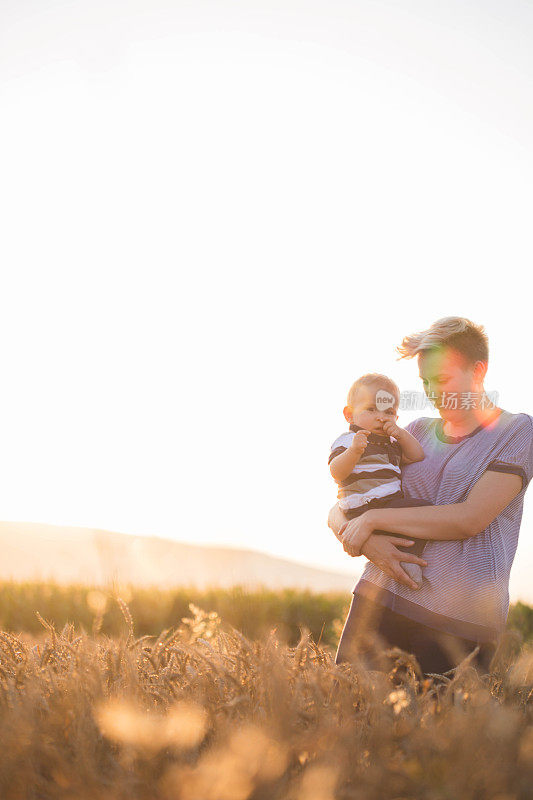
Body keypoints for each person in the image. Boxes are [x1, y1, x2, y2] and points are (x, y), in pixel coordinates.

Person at [329, 316, 533, 677]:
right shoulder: (415, 432)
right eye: (424, 382)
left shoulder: (518, 432)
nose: (432, 393)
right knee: (351, 720)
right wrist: (358, 536)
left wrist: (372, 522)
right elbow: (350, 496)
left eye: (441, 380)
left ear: (479, 370)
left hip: (460, 621)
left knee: (440, 732)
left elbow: (468, 519)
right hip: (379, 599)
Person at [328, 373, 431, 588]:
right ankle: (406, 563)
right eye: (371, 409)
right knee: (421, 515)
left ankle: (408, 560)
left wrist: (402, 435)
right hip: (360, 509)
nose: (381, 417)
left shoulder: (392, 443)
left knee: (424, 510)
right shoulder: (347, 441)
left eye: (389, 412)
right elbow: (336, 472)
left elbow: (416, 456)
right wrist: (354, 452)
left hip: (388, 505)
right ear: (349, 415)